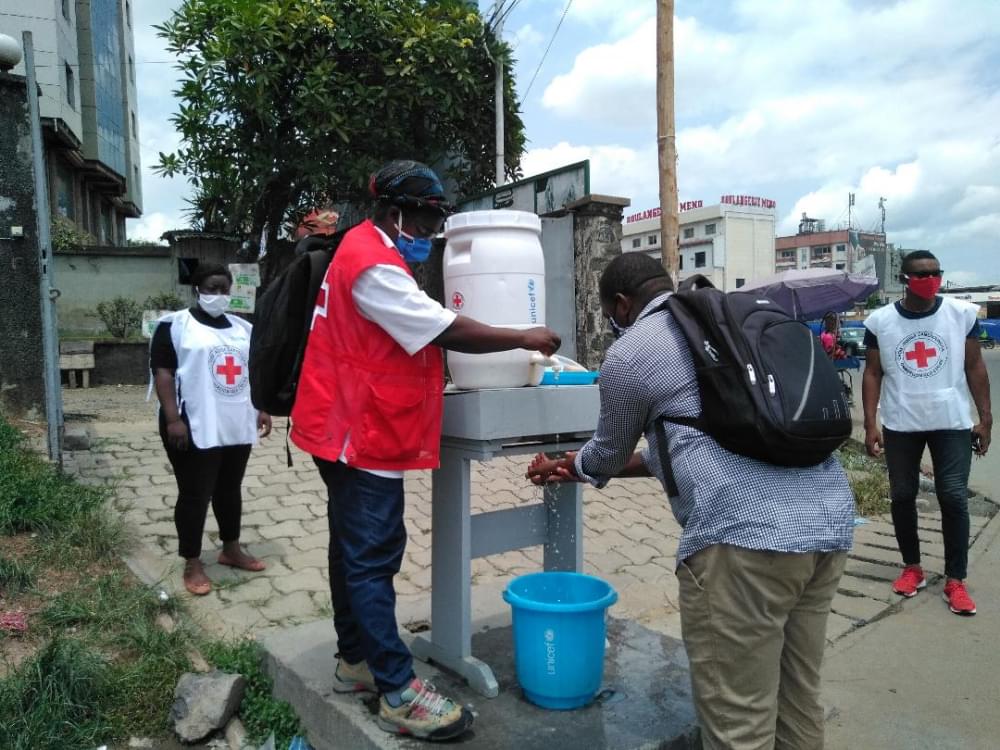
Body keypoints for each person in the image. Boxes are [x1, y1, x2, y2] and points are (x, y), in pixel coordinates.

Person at [526, 253, 853, 750]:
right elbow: (687, 445)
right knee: (796, 697)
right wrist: (586, 467)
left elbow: (608, 454)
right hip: (826, 526)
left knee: (738, 722)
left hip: (744, 546)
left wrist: (575, 466)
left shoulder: (634, 350)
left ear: (620, 304)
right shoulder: (724, 324)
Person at [290, 160, 560, 741]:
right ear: (397, 212)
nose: (433, 232)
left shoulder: (369, 249)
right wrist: (522, 336)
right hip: (357, 431)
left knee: (353, 551)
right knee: (373, 555)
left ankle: (355, 659)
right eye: (429, 218)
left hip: (346, 423)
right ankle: (396, 690)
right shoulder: (372, 265)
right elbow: (442, 328)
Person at [862, 250, 991, 615]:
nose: (929, 279)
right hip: (901, 421)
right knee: (902, 495)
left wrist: (985, 418)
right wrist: (871, 423)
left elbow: (975, 366)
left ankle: (955, 579)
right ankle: (912, 568)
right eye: (921, 274)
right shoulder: (880, 321)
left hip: (950, 420)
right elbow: (872, 373)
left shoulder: (960, 314)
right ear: (904, 279)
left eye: (935, 273)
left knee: (952, 497)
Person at [150, 263, 272, 596]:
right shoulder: (174, 326)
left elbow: (253, 371)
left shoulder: (242, 328)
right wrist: (173, 419)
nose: (219, 296)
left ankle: (230, 548)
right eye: (212, 288)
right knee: (195, 493)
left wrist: (261, 407)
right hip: (190, 424)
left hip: (234, 422)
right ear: (197, 290)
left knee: (229, 488)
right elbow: (163, 374)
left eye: (224, 289)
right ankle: (191, 560)